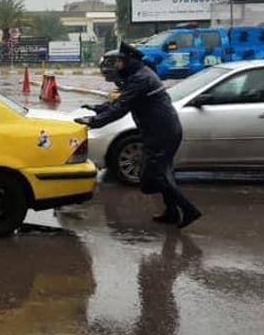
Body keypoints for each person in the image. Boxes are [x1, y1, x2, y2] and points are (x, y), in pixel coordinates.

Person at [74, 42, 202, 228]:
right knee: (163, 174)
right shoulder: (138, 76)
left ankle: (189, 211)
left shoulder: (141, 79)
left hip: (162, 133)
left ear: (131, 61)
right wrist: (98, 109)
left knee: (154, 177)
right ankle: (172, 212)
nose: (117, 67)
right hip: (159, 131)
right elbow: (122, 101)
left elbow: (121, 107)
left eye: (120, 62)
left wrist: (94, 122)